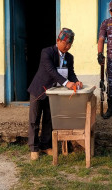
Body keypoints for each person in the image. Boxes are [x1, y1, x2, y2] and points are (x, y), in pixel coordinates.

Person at [27, 28, 83, 160]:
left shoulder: (69, 57)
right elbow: (51, 71)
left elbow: (71, 73)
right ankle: (34, 148)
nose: (67, 47)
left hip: (53, 93)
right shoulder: (47, 52)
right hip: (39, 90)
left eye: (70, 45)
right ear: (58, 41)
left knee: (49, 119)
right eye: (65, 44)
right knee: (34, 120)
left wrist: (76, 81)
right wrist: (67, 83)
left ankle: (45, 146)